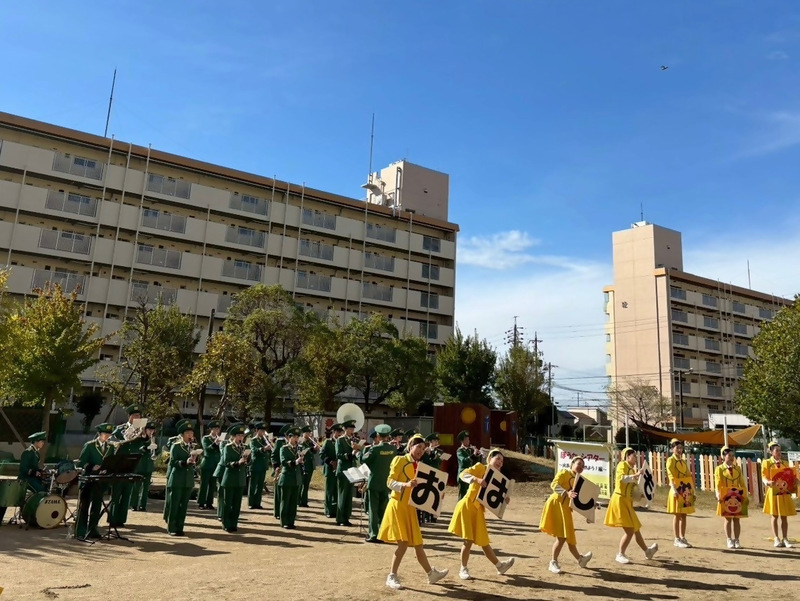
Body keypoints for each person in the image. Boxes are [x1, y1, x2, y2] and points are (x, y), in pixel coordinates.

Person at [379, 434, 449, 590]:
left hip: (410, 508)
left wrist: (437, 493)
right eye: (418, 447)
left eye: (423, 448)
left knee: (418, 543)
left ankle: (431, 573)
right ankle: (392, 576)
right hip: (398, 506)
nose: (421, 451)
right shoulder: (400, 460)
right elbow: (389, 482)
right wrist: (405, 485)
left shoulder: (420, 466)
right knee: (403, 544)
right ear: (410, 446)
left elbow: (425, 489)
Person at [448, 448, 515, 580]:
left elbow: (492, 499)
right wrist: (476, 479)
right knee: (468, 540)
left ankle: (499, 566)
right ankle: (463, 569)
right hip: (467, 506)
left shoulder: (498, 478)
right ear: (490, 459)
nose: (500, 462)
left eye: (502, 460)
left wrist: (504, 500)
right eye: (498, 459)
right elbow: (463, 474)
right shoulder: (480, 468)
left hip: (478, 511)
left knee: (483, 541)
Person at [539, 456, 593, 574]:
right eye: (579, 464)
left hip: (566, 509)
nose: (581, 467)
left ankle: (580, 559)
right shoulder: (564, 472)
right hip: (556, 505)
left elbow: (581, 500)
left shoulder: (580, 481)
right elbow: (554, 484)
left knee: (569, 536)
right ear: (572, 464)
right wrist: (566, 492)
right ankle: (553, 562)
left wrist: (589, 514)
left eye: (583, 466)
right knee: (562, 536)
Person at [604, 447, 658, 564]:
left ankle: (647, 551)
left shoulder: (632, 470)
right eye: (633, 456)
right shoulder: (622, 465)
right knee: (630, 531)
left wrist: (641, 496)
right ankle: (620, 554)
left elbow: (633, 490)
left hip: (627, 501)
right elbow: (621, 479)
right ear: (627, 457)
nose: (635, 458)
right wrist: (636, 475)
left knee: (636, 529)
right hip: (619, 500)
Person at [76, 423, 115, 539]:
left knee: (97, 506)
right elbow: (80, 463)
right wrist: (91, 467)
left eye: (109, 434)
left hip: (101, 481)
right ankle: (80, 531)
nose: (107, 436)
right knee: (84, 506)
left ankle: (93, 529)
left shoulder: (111, 447)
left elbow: (110, 461)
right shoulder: (90, 446)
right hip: (88, 481)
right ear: (99, 434)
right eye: (105, 434)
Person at [109, 403, 146, 527]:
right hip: (120, 463)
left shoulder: (141, 430)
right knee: (116, 493)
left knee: (126, 493)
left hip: (132, 463)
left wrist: (144, 436)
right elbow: (112, 440)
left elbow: (144, 443)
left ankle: (121, 520)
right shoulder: (120, 428)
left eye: (139, 415)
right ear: (129, 417)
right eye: (135, 415)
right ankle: (112, 518)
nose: (137, 417)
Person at [361, 424, 396, 543]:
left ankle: (373, 534)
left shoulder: (374, 449)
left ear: (377, 436)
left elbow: (364, 460)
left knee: (373, 510)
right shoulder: (393, 449)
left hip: (374, 482)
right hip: (386, 483)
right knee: (383, 509)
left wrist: (359, 453)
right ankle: (383, 533)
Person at [762, 440, 795, 548]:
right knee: (775, 515)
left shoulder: (785, 463)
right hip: (773, 492)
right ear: (771, 452)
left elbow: (789, 476)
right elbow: (763, 476)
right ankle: (776, 538)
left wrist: (794, 481)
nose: (779, 453)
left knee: (784, 516)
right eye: (777, 450)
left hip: (784, 493)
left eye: (780, 450)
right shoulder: (766, 462)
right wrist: (767, 482)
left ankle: (785, 538)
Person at [715, 446, 748, 549]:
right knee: (728, 519)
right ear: (723, 456)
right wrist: (718, 494)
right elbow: (718, 483)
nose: (731, 458)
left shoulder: (737, 468)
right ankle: (729, 539)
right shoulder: (719, 469)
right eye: (729, 455)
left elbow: (742, 483)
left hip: (737, 496)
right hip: (726, 496)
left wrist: (745, 496)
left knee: (737, 519)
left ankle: (737, 540)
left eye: (733, 456)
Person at [220, 423, 249, 533]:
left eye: (242, 436)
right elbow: (226, 463)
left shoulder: (244, 447)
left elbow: (248, 462)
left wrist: (247, 460)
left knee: (237, 503)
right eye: (238, 436)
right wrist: (238, 462)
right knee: (228, 503)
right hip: (230, 478)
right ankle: (226, 523)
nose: (241, 438)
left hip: (240, 478)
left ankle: (234, 523)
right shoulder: (228, 447)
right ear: (233, 436)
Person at [666, 439, 695, 548]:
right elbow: (670, 474)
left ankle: (682, 537)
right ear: (672, 449)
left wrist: (692, 491)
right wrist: (674, 489)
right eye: (677, 448)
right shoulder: (670, 460)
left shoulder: (683, 461)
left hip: (685, 490)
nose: (679, 450)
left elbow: (688, 476)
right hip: (676, 490)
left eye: (681, 448)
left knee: (684, 515)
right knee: (677, 515)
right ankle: (676, 538)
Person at [279, 427, 303, 529]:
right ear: (289, 438)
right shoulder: (284, 448)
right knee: (285, 501)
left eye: (297, 437)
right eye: (294, 437)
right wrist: (295, 462)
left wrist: (301, 461)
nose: (296, 439)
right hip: (287, 477)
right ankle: (284, 521)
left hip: (296, 478)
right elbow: (284, 462)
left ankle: (291, 521)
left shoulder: (299, 449)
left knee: (293, 502)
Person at [336, 419, 359, 526]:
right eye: (350, 429)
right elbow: (339, 455)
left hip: (352, 469)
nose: (352, 431)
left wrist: (357, 450)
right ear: (345, 429)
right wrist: (350, 454)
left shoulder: (353, 440)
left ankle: (346, 517)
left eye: (352, 429)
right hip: (343, 469)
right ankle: (340, 518)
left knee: (349, 495)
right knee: (342, 494)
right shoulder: (340, 440)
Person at [130, 421, 157, 511]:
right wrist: (145, 448)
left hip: (148, 466)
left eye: (152, 430)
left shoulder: (153, 439)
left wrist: (156, 450)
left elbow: (157, 450)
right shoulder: (139, 439)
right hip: (139, 465)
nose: (151, 431)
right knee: (136, 486)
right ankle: (134, 504)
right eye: (149, 429)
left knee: (146, 487)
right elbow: (136, 450)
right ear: (145, 430)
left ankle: (143, 505)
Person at [419, 433, 443, 524]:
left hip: (436, 475)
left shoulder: (439, 451)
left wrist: (431, 453)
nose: (436, 442)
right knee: (426, 495)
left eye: (437, 441)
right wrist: (425, 452)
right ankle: (425, 515)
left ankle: (433, 516)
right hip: (426, 475)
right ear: (430, 442)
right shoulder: (424, 451)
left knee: (435, 495)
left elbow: (439, 460)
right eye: (434, 441)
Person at [198, 420, 222, 510]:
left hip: (216, 464)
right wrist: (215, 443)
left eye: (218, 428)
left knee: (212, 485)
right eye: (215, 428)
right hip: (207, 464)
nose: (217, 430)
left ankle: (209, 503)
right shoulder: (206, 438)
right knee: (204, 484)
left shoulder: (220, 439)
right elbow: (207, 449)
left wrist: (220, 444)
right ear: (211, 429)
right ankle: (201, 502)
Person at [321, 424, 342, 518]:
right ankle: (328, 510)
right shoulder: (328, 442)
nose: (339, 433)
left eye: (340, 432)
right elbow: (322, 454)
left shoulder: (341, 442)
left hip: (339, 468)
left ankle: (335, 510)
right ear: (334, 432)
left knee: (337, 491)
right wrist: (330, 461)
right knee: (330, 490)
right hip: (330, 468)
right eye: (338, 432)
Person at [248, 422, 270, 510]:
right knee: (253, 485)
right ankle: (251, 503)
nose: (263, 432)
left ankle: (257, 503)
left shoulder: (265, 440)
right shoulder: (253, 440)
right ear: (257, 431)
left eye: (264, 430)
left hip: (263, 465)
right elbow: (254, 450)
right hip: (255, 464)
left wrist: (270, 445)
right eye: (261, 430)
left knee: (260, 485)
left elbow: (269, 451)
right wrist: (264, 448)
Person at [271, 424, 291, 520]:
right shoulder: (280, 442)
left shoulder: (295, 444)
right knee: (279, 493)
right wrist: (276, 467)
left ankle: (286, 512)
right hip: (280, 469)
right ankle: (277, 512)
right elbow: (274, 456)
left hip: (289, 469)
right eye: (289, 434)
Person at [456, 431, 482, 500]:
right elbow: (464, 461)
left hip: (471, 475)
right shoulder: (460, 451)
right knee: (462, 495)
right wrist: (473, 455)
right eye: (466, 439)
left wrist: (477, 454)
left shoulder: (470, 450)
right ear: (462, 441)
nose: (468, 441)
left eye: (468, 439)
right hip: (463, 474)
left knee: (470, 494)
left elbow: (476, 462)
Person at [299, 425, 318, 508]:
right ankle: (299, 500)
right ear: (303, 433)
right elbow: (301, 452)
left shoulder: (310, 442)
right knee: (301, 483)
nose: (309, 434)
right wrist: (311, 448)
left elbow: (312, 453)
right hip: (303, 464)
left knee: (306, 484)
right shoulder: (300, 441)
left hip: (310, 465)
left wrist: (315, 448)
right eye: (307, 433)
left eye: (309, 433)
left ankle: (304, 501)